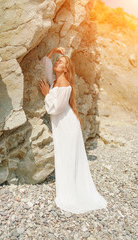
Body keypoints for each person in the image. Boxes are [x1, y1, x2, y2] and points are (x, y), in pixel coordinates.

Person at [38, 47, 107, 214]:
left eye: (61, 62)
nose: (57, 62)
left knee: (67, 158)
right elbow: (45, 65)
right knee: (64, 157)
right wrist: (54, 51)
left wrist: (47, 94)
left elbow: (56, 108)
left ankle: (71, 194)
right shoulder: (55, 80)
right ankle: (69, 188)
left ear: (66, 69)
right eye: (58, 60)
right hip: (64, 125)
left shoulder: (64, 83)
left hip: (68, 126)